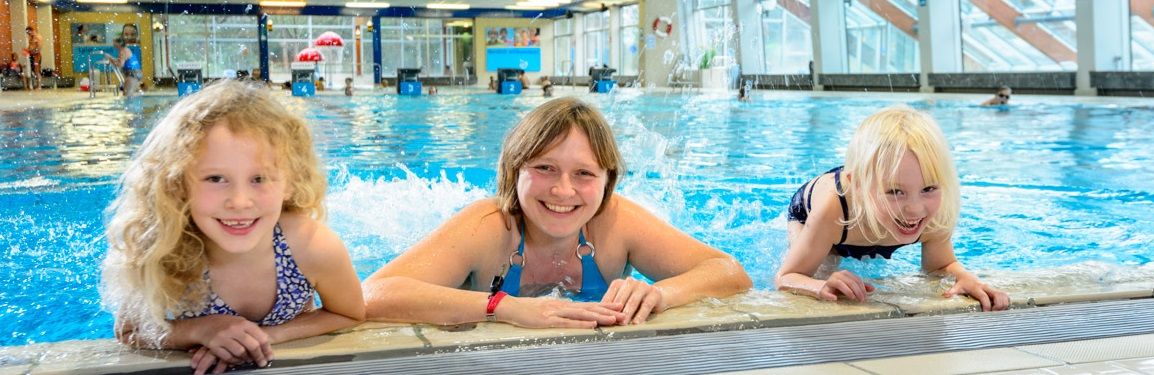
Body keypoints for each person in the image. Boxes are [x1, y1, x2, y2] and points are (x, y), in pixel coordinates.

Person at [363, 97, 751, 328]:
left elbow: (730, 272)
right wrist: (505, 307)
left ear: (606, 181)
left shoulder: (616, 222)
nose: (563, 190)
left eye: (584, 174)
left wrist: (659, 293)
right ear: (514, 170)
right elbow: (373, 294)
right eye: (544, 168)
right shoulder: (488, 226)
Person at [100, 80, 365, 375]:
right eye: (215, 179)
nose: (239, 201)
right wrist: (201, 330)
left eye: (259, 178)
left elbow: (349, 312)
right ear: (177, 183)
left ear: (290, 182)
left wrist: (264, 337)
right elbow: (129, 330)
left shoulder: (311, 247)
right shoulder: (165, 246)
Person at [774, 105, 1009, 312]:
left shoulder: (937, 208)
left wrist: (965, 277)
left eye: (928, 188)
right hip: (814, 211)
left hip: (870, 193)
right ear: (859, 187)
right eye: (895, 192)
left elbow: (939, 265)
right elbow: (787, 277)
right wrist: (818, 286)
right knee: (827, 270)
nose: (915, 209)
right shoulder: (833, 210)